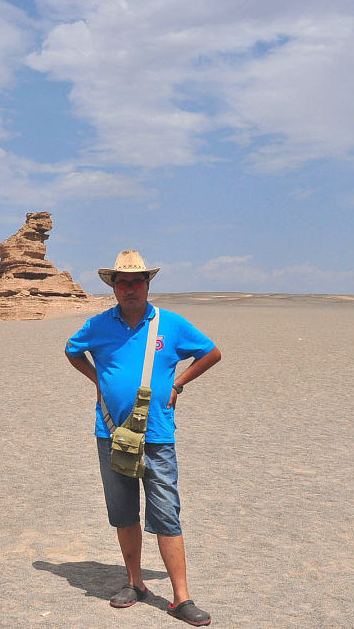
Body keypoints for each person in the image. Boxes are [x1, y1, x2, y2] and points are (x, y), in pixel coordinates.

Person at [65, 250, 221, 626]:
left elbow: (211, 353)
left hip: (158, 435)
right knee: (123, 511)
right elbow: (72, 350)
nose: (130, 288)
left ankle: (181, 598)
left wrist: (179, 384)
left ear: (148, 284)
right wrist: (98, 381)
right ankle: (135, 582)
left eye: (137, 281)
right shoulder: (98, 325)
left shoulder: (171, 324)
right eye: (123, 282)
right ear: (114, 287)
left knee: (166, 512)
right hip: (112, 433)